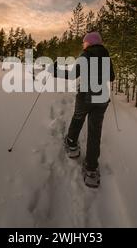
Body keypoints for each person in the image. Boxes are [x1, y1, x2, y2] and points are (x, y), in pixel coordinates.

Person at [51, 31, 115, 188]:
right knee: (95, 131)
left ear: (90, 43)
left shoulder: (85, 56)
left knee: (78, 118)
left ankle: (72, 145)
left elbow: (72, 75)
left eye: (84, 42)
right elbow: (111, 77)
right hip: (102, 99)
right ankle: (91, 169)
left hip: (86, 96)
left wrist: (55, 70)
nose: (83, 44)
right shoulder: (106, 56)